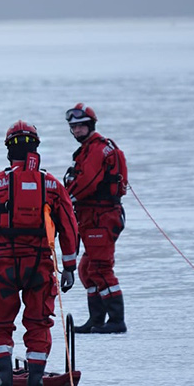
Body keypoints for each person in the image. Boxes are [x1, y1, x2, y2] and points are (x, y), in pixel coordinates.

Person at [0, 121, 79, 386]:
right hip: (41, 267)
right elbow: (68, 226)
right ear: (36, 148)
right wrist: (69, 266)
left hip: (5, 267)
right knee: (39, 325)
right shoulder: (52, 185)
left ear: (8, 151)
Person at [63, 103, 128, 334]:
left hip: (102, 217)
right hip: (92, 216)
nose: (77, 131)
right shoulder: (93, 149)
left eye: (80, 126)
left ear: (90, 125)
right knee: (87, 268)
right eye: (74, 127)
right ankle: (97, 319)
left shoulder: (97, 150)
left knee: (100, 268)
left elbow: (87, 182)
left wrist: (64, 197)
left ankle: (116, 320)